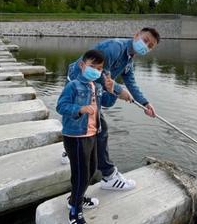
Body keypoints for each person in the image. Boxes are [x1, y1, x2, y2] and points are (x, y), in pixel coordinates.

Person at [62, 27, 160, 191]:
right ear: (136, 35)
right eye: (145, 40)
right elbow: (95, 72)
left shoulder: (129, 59)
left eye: (150, 46)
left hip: (93, 87)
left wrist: (144, 103)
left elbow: (131, 82)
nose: (146, 46)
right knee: (99, 128)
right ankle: (108, 176)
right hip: (79, 82)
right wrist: (118, 89)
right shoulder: (115, 48)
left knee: (87, 122)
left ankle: (70, 149)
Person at [56, 49, 105, 224]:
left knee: (92, 169)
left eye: (99, 68)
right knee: (80, 173)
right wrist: (80, 109)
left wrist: (111, 89)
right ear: (82, 65)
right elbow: (61, 106)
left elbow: (105, 103)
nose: (96, 71)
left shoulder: (96, 86)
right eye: (93, 66)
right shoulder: (73, 85)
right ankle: (74, 212)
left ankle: (76, 198)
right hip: (75, 136)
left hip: (91, 134)